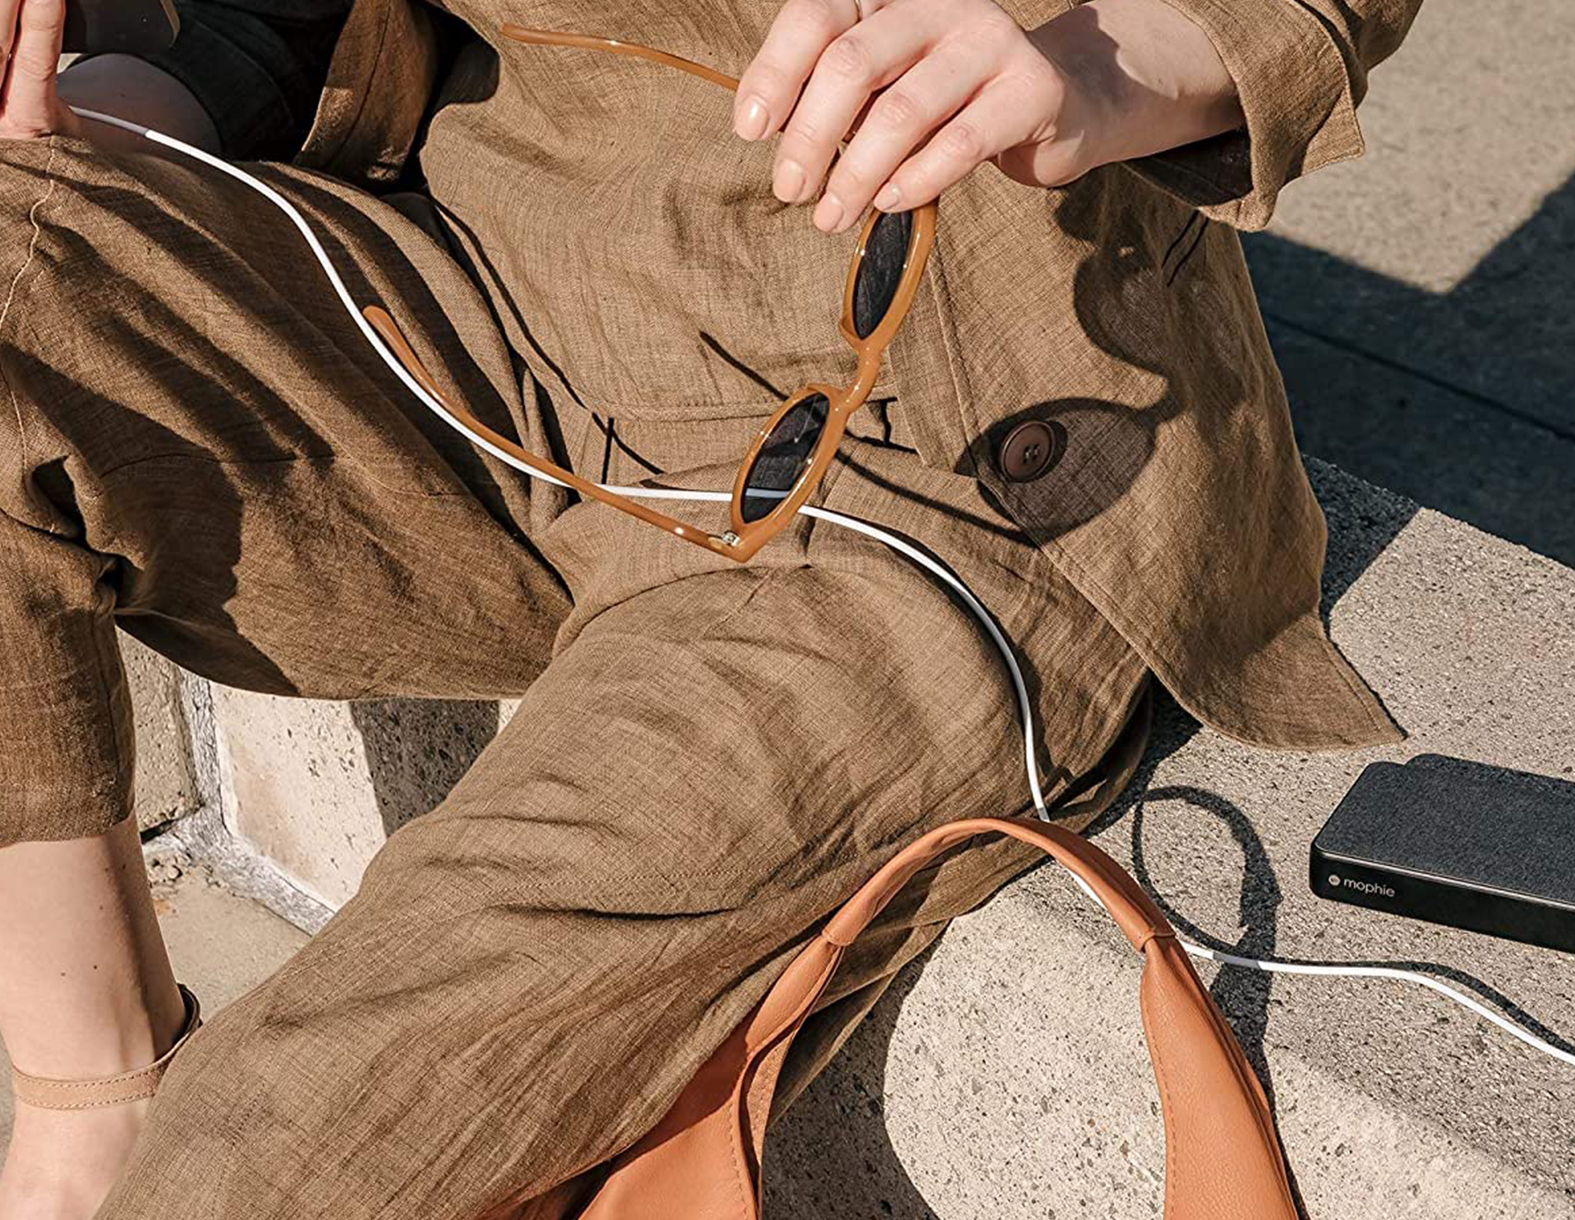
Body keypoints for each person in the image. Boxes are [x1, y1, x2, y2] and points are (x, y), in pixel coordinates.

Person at [0, 0, 1419, 1213]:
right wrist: (139, 103)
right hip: (495, 354)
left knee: (281, 1148)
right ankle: (93, 1088)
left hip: (933, 468)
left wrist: (1122, 49)